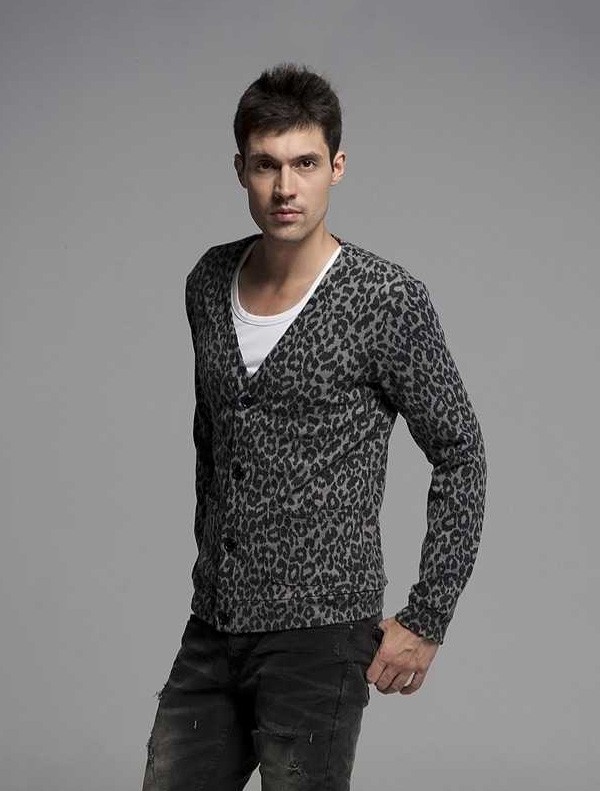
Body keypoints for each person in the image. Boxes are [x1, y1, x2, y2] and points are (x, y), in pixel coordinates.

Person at [141, 63, 487, 791]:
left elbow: (460, 453)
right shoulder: (208, 281)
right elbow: (213, 438)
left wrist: (427, 617)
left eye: (304, 163)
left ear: (337, 166)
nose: (284, 187)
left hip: (320, 633)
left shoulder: (383, 299)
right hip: (215, 623)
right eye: (265, 164)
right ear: (240, 170)